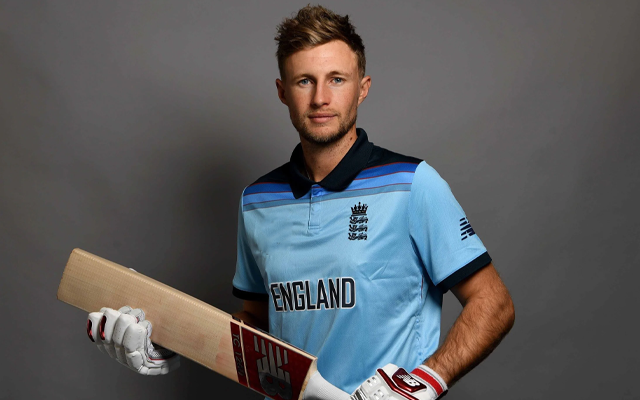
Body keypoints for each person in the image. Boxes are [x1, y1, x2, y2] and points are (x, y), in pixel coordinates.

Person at [86, 5, 515, 400]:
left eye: (337, 79)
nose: (320, 98)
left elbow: (493, 303)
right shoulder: (257, 200)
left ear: (362, 88)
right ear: (282, 91)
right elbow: (256, 324)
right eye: (304, 81)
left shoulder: (412, 184)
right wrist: (169, 340)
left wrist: (424, 382)